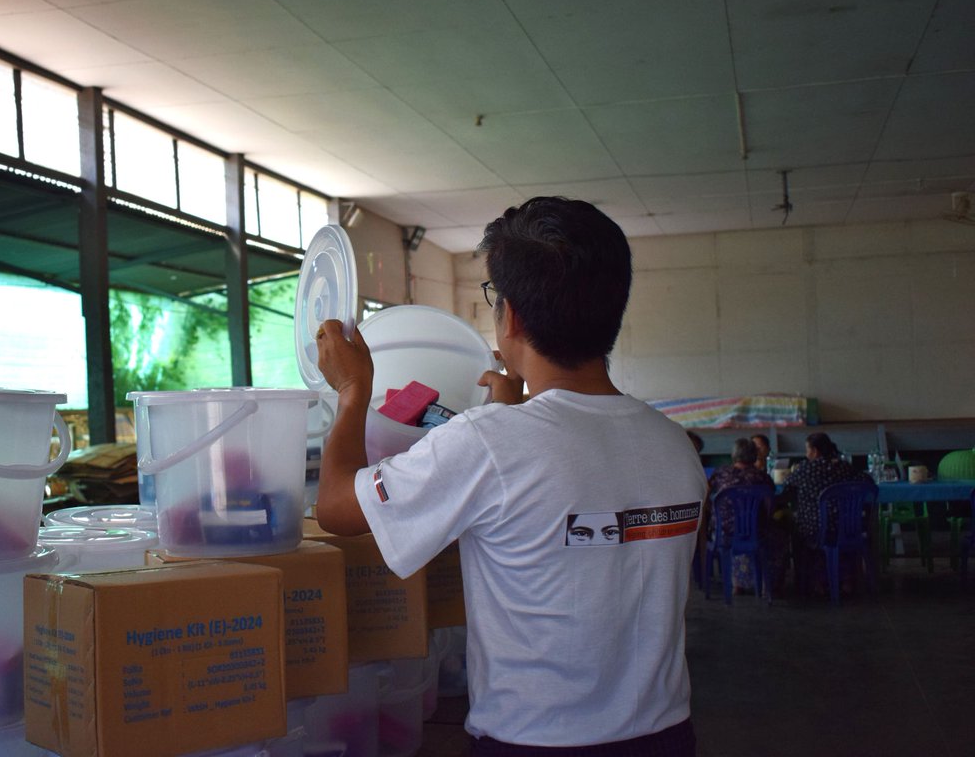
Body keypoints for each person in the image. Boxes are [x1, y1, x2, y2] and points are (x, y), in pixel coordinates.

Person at [314, 197, 705, 756]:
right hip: (666, 734)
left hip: (535, 742)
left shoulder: (488, 442)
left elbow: (335, 508)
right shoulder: (674, 444)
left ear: (511, 316)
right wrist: (510, 415)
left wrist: (353, 394)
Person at [784, 432, 873, 593]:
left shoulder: (805, 469)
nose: (806, 454)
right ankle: (846, 579)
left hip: (815, 528)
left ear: (815, 451)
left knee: (798, 532)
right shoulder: (844, 467)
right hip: (847, 527)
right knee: (836, 536)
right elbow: (868, 482)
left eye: (807, 450)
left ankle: (812, 581)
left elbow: (787, 486)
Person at [707, 438, 780, 595]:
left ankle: (737, 584)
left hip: (723, 534)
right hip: (757, 534)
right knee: (779, 534)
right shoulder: (762, 478)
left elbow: (705, 494)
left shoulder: (720, 473)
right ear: (754, 456)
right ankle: (767, 584)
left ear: (734, 455)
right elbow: (770, 506)